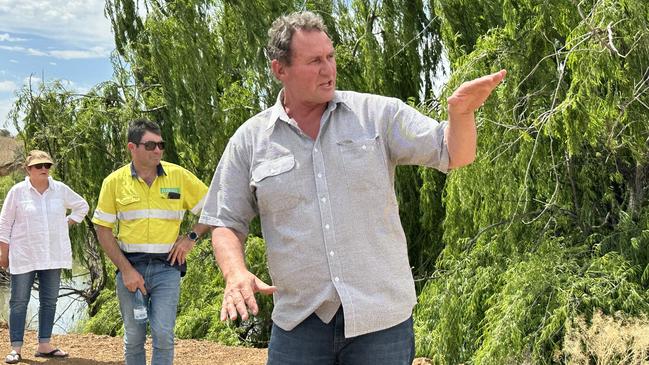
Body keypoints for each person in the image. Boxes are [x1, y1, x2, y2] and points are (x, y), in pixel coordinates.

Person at [199, 10, 507, 365]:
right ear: (279, 69)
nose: (328, 69)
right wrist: (235, 273)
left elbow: (454, 153)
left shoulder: (377, 115)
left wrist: (462, 114)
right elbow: (225, 219)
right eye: (314, 61)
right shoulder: (250, 141)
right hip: (299, 324)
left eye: (330, 57)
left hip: (381, 323)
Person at [92, 119, 209, 365]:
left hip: (167, 268)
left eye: (161, 145)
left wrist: (191, 238)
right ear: (132, 148)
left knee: (163, 335)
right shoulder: (114, 182)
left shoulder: (179, 176)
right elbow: (102, 229)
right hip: (130, 269)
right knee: (134, 337)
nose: (158, 150)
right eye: (151, 145)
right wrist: (126, 270)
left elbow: (214, 209)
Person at [0, 150, 89, 364]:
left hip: (52, 255)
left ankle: (44, 345)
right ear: (28, 169)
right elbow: (4, 223)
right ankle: (16, 348)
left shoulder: (60, 190)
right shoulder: (17, 191)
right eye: (39, 166)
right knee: (19, 302)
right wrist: (4, 253)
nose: (44, 169)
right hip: (24, 255)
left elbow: (82, 206)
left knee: (49, 301)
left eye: (47, 165)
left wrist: (67, 223)